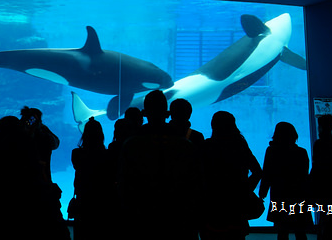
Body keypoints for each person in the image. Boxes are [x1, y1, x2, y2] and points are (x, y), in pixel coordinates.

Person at [118, 90, 200, 240]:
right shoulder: (185, 145)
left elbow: (125, 186)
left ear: (144, 113)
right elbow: (194, 186)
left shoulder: (130, 145)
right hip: (177, 219)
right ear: (167, 113)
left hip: (140, 218)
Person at [199, 110, 262, 240]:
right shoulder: (240, 145)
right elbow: (257, 171)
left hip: (212, 206)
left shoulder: (206, 146)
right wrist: (246, 190)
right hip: (236, 209)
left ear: (213, 126)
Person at [259, 122, 312, 240]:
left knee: (282, 230)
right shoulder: (301, 152)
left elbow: (267, 173)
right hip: (298, 194)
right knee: (300, 230)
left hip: (279, 194)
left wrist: (263, 192)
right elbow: (304, 175)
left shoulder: (272, 150)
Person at [71, 117, 116, 240]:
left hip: (83, 200)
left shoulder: (77, 154)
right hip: (103, 201)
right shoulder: (108, 155)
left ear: (85, 135)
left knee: (83, 233)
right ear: (101, 135)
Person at [19, 106, 60, 183]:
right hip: (39, 177)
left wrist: (38, 130)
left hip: (40, 177)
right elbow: (55, 144)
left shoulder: (42, 131)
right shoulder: (17, 131)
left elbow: (55, 144)